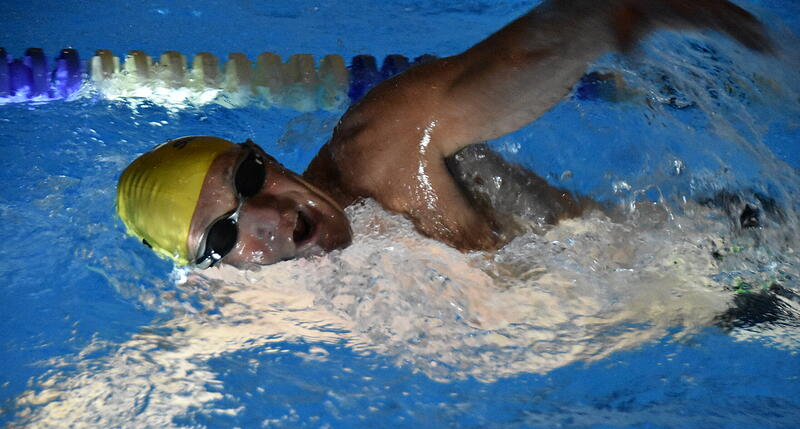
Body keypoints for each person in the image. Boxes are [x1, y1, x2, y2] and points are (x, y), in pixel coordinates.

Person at [117, 0, 771, 268]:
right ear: (217, 271)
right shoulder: (266, 303)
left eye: (250, 178)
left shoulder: (381, 153)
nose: (263, 217)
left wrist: (613, 15)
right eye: (225, 235)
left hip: (725, 265)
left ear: (265, 155)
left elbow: (513, 66)